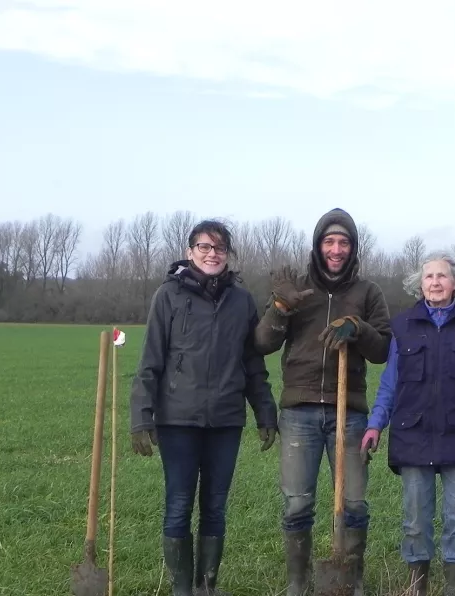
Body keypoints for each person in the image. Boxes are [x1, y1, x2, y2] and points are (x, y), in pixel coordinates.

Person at [128, 219, 279, 596]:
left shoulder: (241, 301)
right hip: (178, 420)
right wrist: (140, 417)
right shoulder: (168, 296)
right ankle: (182, 589)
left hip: (226, 421)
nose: (212, 254)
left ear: (227, 255)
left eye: (220, 249)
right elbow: (150, 361)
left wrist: (265, 412)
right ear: (189, 251)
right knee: (179, 504)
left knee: (215, 506)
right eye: (204, 247)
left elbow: (253, 364)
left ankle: (207, 587)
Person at [253, 207, 392, 596]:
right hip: (299, 412)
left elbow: (382, 348)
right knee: (297, 504)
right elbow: (263, 343)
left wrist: (358, 328)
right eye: (329, 241)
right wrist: (281, 308)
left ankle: (351, 579)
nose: (336, 249)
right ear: (318, 246)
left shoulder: (368, 292)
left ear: (353, 247)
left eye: (343, 242)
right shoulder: (297, 289)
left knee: (354, 504)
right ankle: (298, 584)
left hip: (349, 412)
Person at [360, 253, 455, 596]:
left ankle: (454, 589)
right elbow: (389, 384)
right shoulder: (403, 326)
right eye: (428, 276)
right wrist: (374, 425)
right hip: (413, 435)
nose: (435, 282)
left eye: (442, 276)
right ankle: (417, 588)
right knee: (415, 522)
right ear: (420, 283)